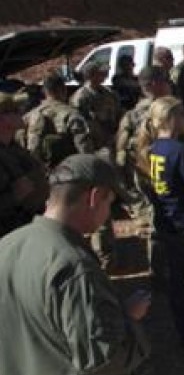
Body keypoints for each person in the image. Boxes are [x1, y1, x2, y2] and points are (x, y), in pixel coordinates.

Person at [0, 154, 151, 375]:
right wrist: (130, 319)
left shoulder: (8, 247)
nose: (106, 218)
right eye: (109, 204)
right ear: (95, 196)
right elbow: (104, 356)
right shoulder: (72, 264)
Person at [136, 97, 184, 346]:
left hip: (167, 224)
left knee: (178, 284)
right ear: (173, 119)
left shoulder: (153, 148)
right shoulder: (181, 150)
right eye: (183, 114)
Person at [70, 61, 122, 270]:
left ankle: (108, 252)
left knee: (108, 200)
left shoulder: (107, 94)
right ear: (91, 74)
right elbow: (80, 131)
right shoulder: (81, 98)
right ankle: (102, 256)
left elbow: (118, 117)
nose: (105, 74)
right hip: (93, 154)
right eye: (102, 71)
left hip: (109, 149)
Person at [115, 66, 172, 223]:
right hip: (154, 164)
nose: (169, 84)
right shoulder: (158, 109)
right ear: (155, 84)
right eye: (165, 81)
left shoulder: (135, 110)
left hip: (142, 164)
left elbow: (122, 138)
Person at [0, 92, 48, 237]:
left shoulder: (13, 146)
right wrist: (14, 196)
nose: (21, 112)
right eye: (14, 110)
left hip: (26, 228)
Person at [25, 73, 92, 169]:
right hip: (68, 169)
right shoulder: (71, 114)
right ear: (63, 90)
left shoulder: (30, 115)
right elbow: (83, 145)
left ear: (44, 91)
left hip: (38, 170)